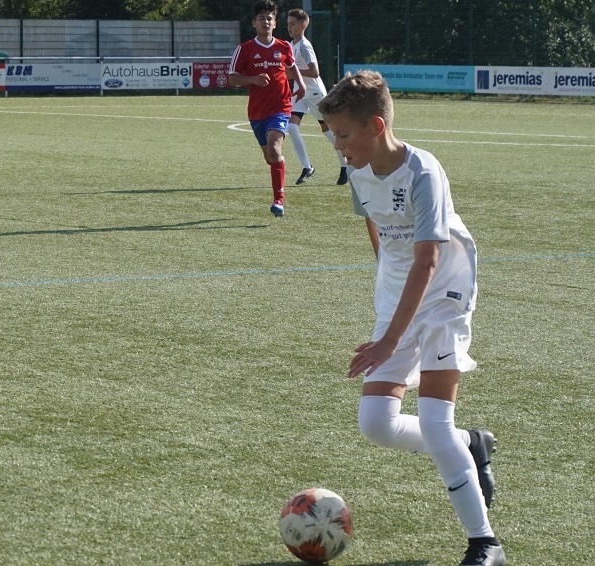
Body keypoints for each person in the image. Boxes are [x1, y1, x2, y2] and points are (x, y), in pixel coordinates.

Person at [319, 70, 506, 566]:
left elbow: (427, 260)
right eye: (332, 135)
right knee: (376, 424)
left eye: (343, 134)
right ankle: (472, 445)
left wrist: (387, 342)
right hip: (397, 296)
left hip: (444, 293)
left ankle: (485, 543)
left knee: (434, 423)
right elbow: (375, 222)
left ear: (376, 126)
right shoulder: (358, 169)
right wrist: (385, 279)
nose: (337, 145)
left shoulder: (423, 171)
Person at [229, 0, 306, 217]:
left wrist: (300, 85)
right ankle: (277, 168)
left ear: (275, 23)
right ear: (254, 23)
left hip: (281, 106)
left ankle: (278, 200)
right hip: (257, 112)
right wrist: (253, 79)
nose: (266, 22)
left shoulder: (284, 47)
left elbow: (292, 67)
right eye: (261, 18)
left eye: (269, 18)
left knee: (274, 149)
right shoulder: (244, 49)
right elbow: (232, 78)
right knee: (270, 156)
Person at [285, 9, 350, 186]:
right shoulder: (291, 45)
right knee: (291, 127)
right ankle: (307, 167)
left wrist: (293, 72)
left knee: (329, 131)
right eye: (288, 24)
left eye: (293, 24)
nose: (289, 27)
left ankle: (345, 166)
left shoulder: (304, 46)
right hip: (299, 93)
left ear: (303, 25)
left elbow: (315, 72)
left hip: (315, 94)